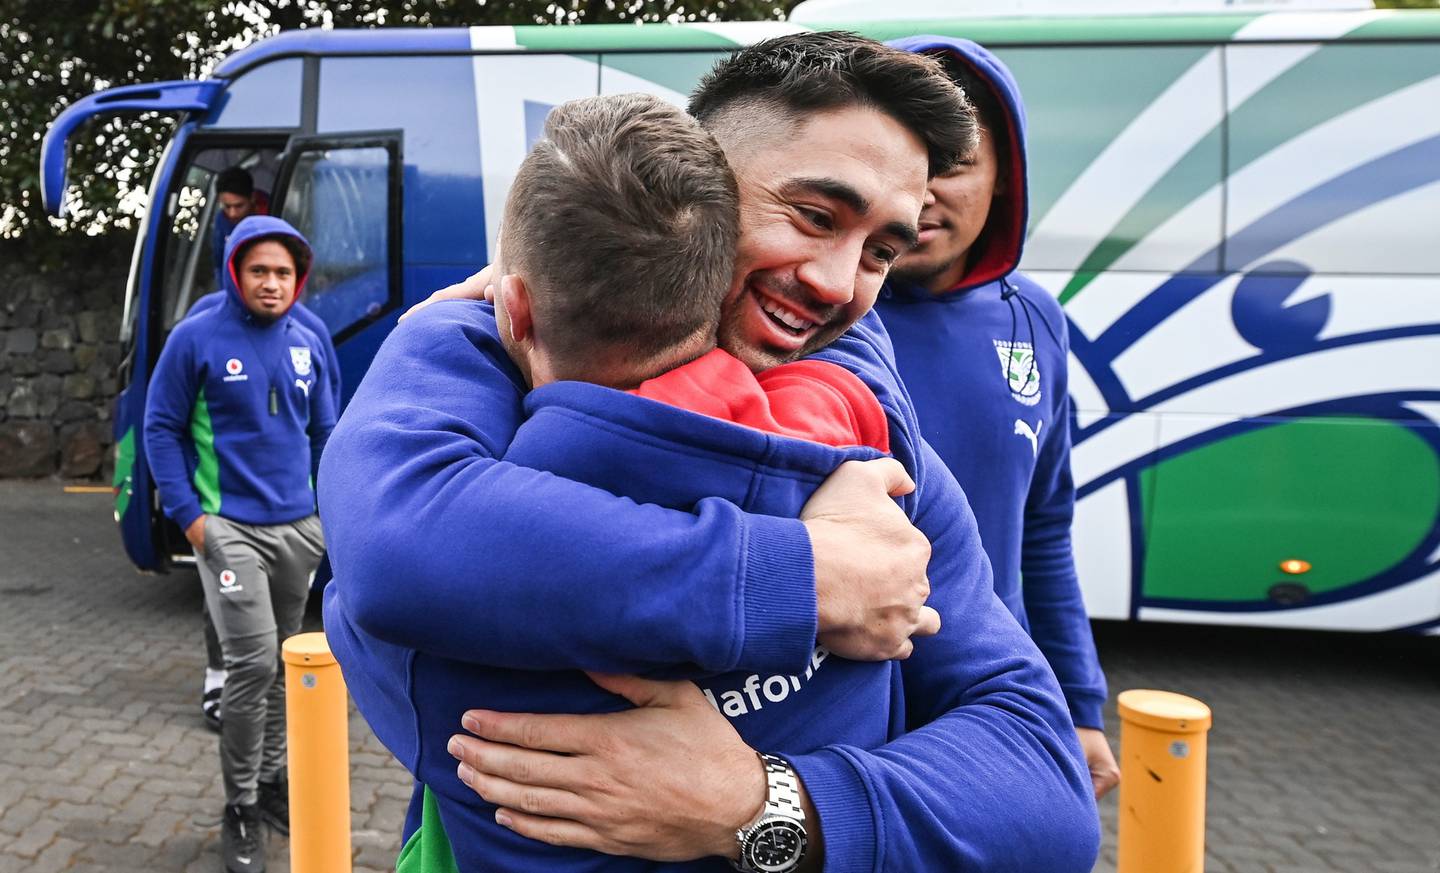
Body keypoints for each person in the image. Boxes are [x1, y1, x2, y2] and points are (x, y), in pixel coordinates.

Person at [323, 32, 1099, 872]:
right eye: (815, 215)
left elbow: (1048, 795)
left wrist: (762, 803)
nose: (842, 285)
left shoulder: (867, 437)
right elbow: (393, 555)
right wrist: (803, 575)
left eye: (881, 250)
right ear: (705, 182)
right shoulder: (492, 347)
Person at [876, 36, 1121, 798]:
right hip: (833, 707)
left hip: (985, 704)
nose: (920, 194)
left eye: (951, 164)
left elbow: (1044, 525)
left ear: (1004, 180)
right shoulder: (806, 310)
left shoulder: (1036, 322)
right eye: (900, 163)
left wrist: (1078, 705)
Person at [144, 214, 337, 873]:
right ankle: (241, 806)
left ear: (298, 277)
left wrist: (326, 517)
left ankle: (276, 778)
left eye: (284, 272)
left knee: (286, 660)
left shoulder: (311, 337)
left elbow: (327, 432)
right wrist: (192, 521)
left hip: (298, 530)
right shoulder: (197, 337)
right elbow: (160, 427)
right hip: (228, 531)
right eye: (259, 269)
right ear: (234, 270)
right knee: (252, 664)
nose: (272, 282)